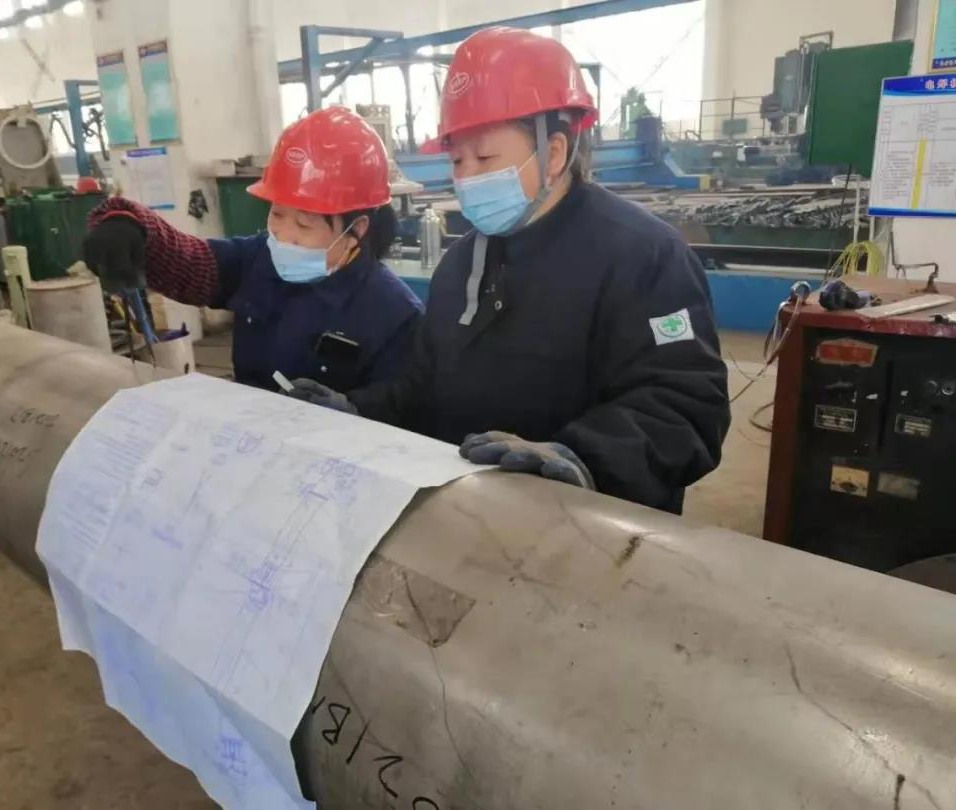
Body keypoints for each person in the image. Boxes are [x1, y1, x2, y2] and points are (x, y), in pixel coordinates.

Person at [290, 27, 730, 514]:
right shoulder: (461, 265)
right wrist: (359, 409)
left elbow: (685, 405)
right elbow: (424, 387)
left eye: (485, 157)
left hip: (592, 527)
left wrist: (582, 458)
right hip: (470, 514)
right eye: (457, 160)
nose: (466, 177)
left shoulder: (643, 255)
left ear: (554, 152)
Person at [82, 107, 423, 393]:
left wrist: (351, 410)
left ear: (356, 230)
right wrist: (130, 226)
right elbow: (189, 261)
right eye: (277, 214)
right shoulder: (258, 260)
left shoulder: (394, 315)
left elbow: (398, 410)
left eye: (304, 225)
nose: (283, 235)